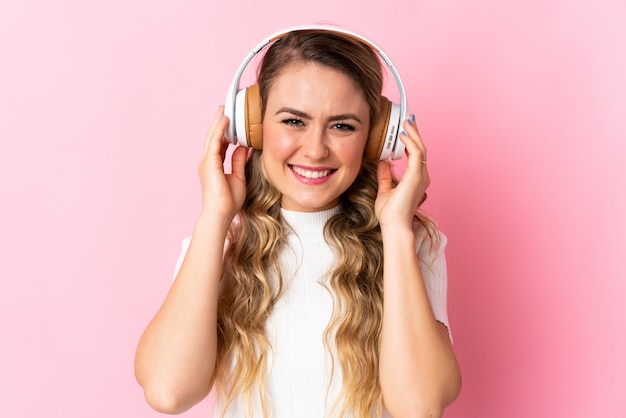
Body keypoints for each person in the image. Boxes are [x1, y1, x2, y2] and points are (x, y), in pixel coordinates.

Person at [134, 26, 461, 418]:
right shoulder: (217, 245)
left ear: (377, 138)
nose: (315, 149)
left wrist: (395, 231)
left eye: (343, 125)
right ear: (251, 125)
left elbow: (420, 406)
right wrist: (215, 216)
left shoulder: (411, 243)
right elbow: (168, 392)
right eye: (293, 121)